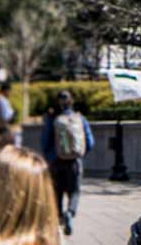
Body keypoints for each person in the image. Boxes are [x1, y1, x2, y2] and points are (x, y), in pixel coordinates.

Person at [36, 90, 96, 235]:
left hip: (56, 162)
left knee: (57, 192)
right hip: (74, 162)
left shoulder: (52, 118)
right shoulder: (80, 118)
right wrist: (79, 155)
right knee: (74, 191)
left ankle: (58, 220)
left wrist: (50, 157)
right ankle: (70, 212)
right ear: (72, 102)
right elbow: (90, 142)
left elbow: (45, 142)